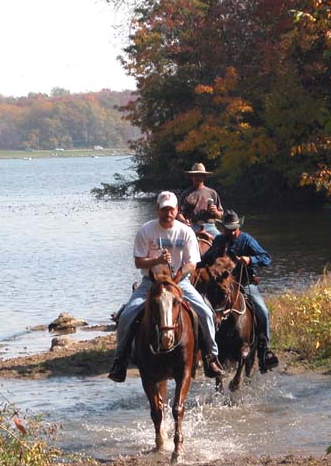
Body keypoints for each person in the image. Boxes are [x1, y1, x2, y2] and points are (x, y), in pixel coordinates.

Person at [108, 191, 225, 382]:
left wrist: (178, 277)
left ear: (177, 210)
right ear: (158, 210)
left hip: (180, 282)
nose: (168, 213)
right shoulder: (146, 230)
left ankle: (211, 356)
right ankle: (120, 360)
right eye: (164, 210)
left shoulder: (185, 232)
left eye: (171, 209)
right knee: (128, 314)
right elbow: (138, 262)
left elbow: (192, 264)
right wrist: (157, 260)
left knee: (205, 312)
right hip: (151, 282)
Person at [198, 209, 279, 374]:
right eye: (229, 228)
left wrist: (251, 259)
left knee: (262, 310)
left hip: (244, 283)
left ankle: (264, 350)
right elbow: (205, 260)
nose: (232, 231)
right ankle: (202, 352)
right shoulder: (219, 240)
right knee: (201, 309)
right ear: (223, 228)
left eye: (234, 228)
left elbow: (266, 258)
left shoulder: (246, 240)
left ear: (238, 227)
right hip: (221, 286)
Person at [177, 162, 224, 236]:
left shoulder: (212, 193)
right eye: (195, 175)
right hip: (192, 225)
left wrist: (215, 211)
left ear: (204, 177)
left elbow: (220, 215)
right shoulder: (185, 194)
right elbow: (179, 213)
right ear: (192, 177)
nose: (197, 178)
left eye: (200, 175)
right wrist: (184, 221)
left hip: (210, 226)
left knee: (223, 242)